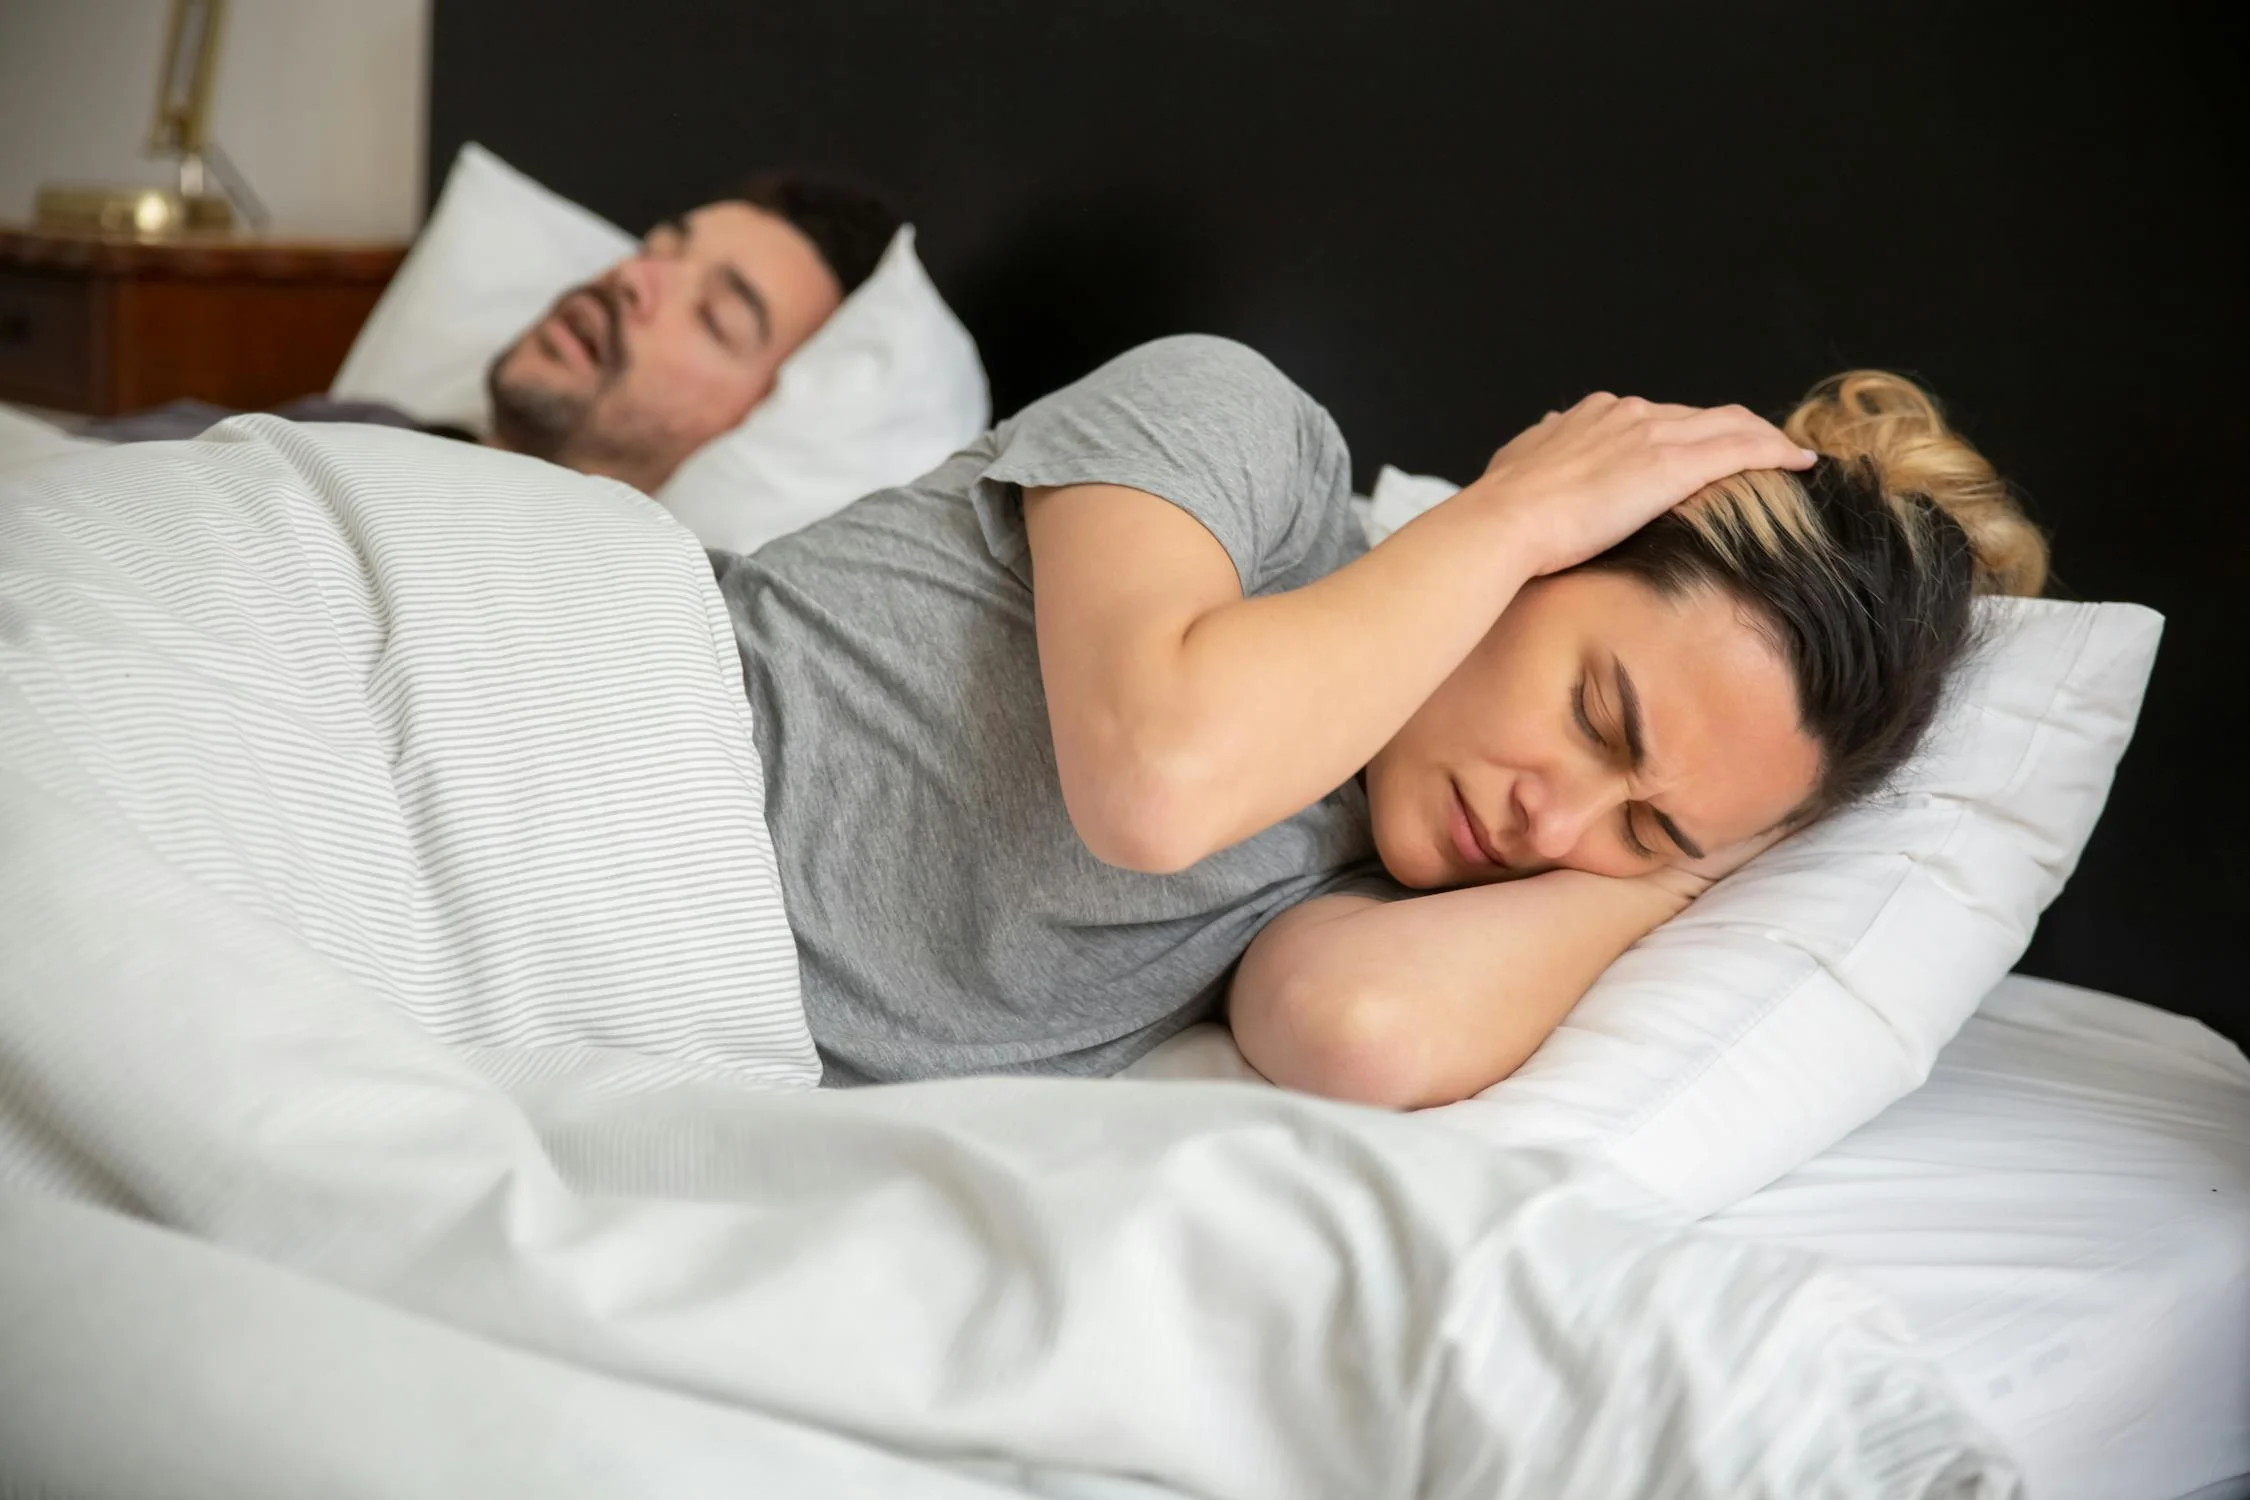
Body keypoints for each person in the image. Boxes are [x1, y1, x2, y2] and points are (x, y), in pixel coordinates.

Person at [713, 336, 2047, 1103]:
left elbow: (1358, 1032)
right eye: (1597, 716)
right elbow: (1155, 782)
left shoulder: (1379, 885)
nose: (1556, 820)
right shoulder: (1239, 442)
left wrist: (1685, 872)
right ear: (1551, 552)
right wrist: (1506, 512)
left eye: (1644, 824)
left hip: (609, 996)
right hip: (560, 713)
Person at [74, 172, 899, 494]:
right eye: (657, 248)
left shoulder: (599, 597)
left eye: (715, 317)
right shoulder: (363, 423)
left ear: (761, 421)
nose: (633, 279)